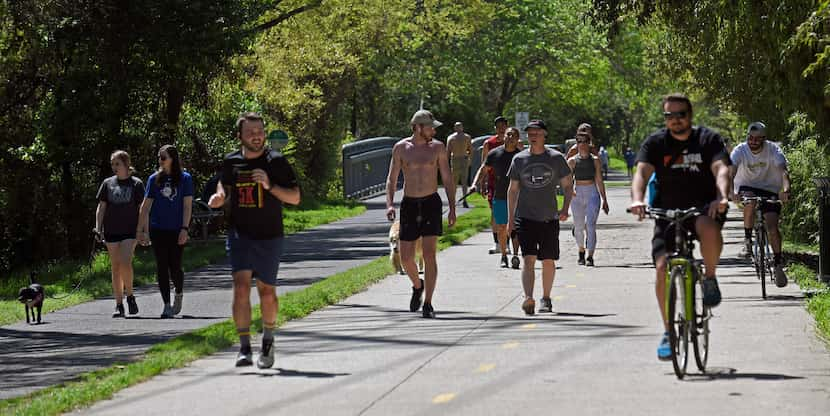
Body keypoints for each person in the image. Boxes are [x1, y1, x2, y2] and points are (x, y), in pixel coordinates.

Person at [629, 93, 730, 361]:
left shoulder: (707, 140)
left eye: (680, 114)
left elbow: (721, 169)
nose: (675, 120)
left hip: (702, 207)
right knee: (662, 268)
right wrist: (638, 199)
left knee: (708, 227)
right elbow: (641, 172)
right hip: (667, 212)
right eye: (669, 115)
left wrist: (721, 195)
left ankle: (709, 278)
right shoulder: (656, 143)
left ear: (690, 115)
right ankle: (668, 332)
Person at [208, 112, 300, 368]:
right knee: (240, 287)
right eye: (251, 132)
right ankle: (244, 347)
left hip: (270, 235)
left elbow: (295, 198)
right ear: (240, 136)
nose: (257, 136)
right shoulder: (231, 162)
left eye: (260, 131)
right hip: (240, 234)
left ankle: (268, 340)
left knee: (266, 291)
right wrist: (219, 198)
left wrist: (270, 186)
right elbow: (223, 188)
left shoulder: (277, 162)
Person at [385, 109, 456, 319]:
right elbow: (391, 178)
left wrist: (452, 207)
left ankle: (428, 303)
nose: (433, 130)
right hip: (409, 204)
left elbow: (448, 177)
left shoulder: (438, 148)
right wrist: (390, 204)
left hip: (431, 203)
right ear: (418, 127)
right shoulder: (400, 148)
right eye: (430, 127)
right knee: (406, 258)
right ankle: (418, 285)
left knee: (429, 254)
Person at [507, 120, 573, 315]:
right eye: (530, 132)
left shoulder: (556, 158)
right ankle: (528, 298)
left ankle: (546, 298)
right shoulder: (519, 160)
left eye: (537, 132)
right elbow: (513, 190)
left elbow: (568, 185)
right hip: (525, 217)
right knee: (528, 258)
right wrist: (511, 219)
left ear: (545, 134)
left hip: (549, 217)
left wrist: (565, 207)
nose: (533, 135)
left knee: (548, 260)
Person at [731, 121, 790, 287]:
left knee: (772, 227)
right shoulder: (740, 150)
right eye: (750, 138)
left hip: (770, 189)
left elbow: (783, 171)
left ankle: (778, 263)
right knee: (749, 203)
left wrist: (785, 190)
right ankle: (748, 242)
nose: (753, 142)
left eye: (757, 139)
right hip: (746, 186)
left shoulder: (773, 150)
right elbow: (731, 172)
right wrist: (731, 192)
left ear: (764, 139)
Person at [137, 145, 193, 319]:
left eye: (163, 157)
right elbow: (145, 207)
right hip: (158, 228)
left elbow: (187, 206)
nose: (160, 160)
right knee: (161, 266)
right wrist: (142, 231)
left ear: (172, 159)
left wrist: (184, 228)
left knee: (175, 266)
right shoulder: (154, 179)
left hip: (176, 229)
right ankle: (166, 305)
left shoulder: (185, 178)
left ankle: (179, 292)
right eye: (159, 157)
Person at [95, 151, 144, 318]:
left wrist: (143, 230)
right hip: (111, 230)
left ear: (125, 164)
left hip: (130, 231)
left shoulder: (136, 184)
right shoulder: (107, 183)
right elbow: (101, 207)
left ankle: (130, 296)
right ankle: (118, 304)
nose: (114, 167)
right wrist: (98, 228)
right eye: (112, 164)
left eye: (117, 164)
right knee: (115, 267)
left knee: (125, 262)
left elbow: (143, 209)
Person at [470, 126, 522, 269]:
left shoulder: (521, 156)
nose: (510, 137)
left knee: (516, 227)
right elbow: (483, 169)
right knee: (501, 227)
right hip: (500, 195)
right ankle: (504, 255)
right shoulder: (494, 154)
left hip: (517, 197)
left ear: (518, 139)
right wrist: (475, 184)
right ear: (503, 136)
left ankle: (516, 255)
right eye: (508, 134)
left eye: (513, 135)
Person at [567, 132, 609, 266]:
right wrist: (570, 191)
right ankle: (581, 251)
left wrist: (604, 199)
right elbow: (567, 180)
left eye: (585, 141)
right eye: (579, 141)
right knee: (579, 226)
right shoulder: (572, 161)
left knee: (590, 225)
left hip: (592, 192)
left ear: (589, 143)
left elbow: (599, 179)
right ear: (576, 143)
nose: (582, 144)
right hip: (577, 193)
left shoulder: (595, 160)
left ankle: (590, 256)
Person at [482, 116, 509, 254]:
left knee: (509, 213)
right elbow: (484, 166)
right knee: (495, 213)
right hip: (494, 182)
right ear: (495, 128)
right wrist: (482, 183)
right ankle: (497, 243)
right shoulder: (489, 143)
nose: (501, 129)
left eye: (503, 126)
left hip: (510, 182)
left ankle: (507, 243)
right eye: (498, 126)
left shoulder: (514, 143)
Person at [446, 122, 473, 208]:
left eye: (460, 126)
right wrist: (446, 163)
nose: (459, 128)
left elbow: (471, 149)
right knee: (454, 181)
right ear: (454, 128)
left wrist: (470, 159)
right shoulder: (451, 138)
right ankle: (452, 201)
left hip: (464, 158)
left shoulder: (467, 137)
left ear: (462, 127)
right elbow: (448, 151)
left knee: (464, 181)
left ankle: (464, 200)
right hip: (455, 159)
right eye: (457, 127)